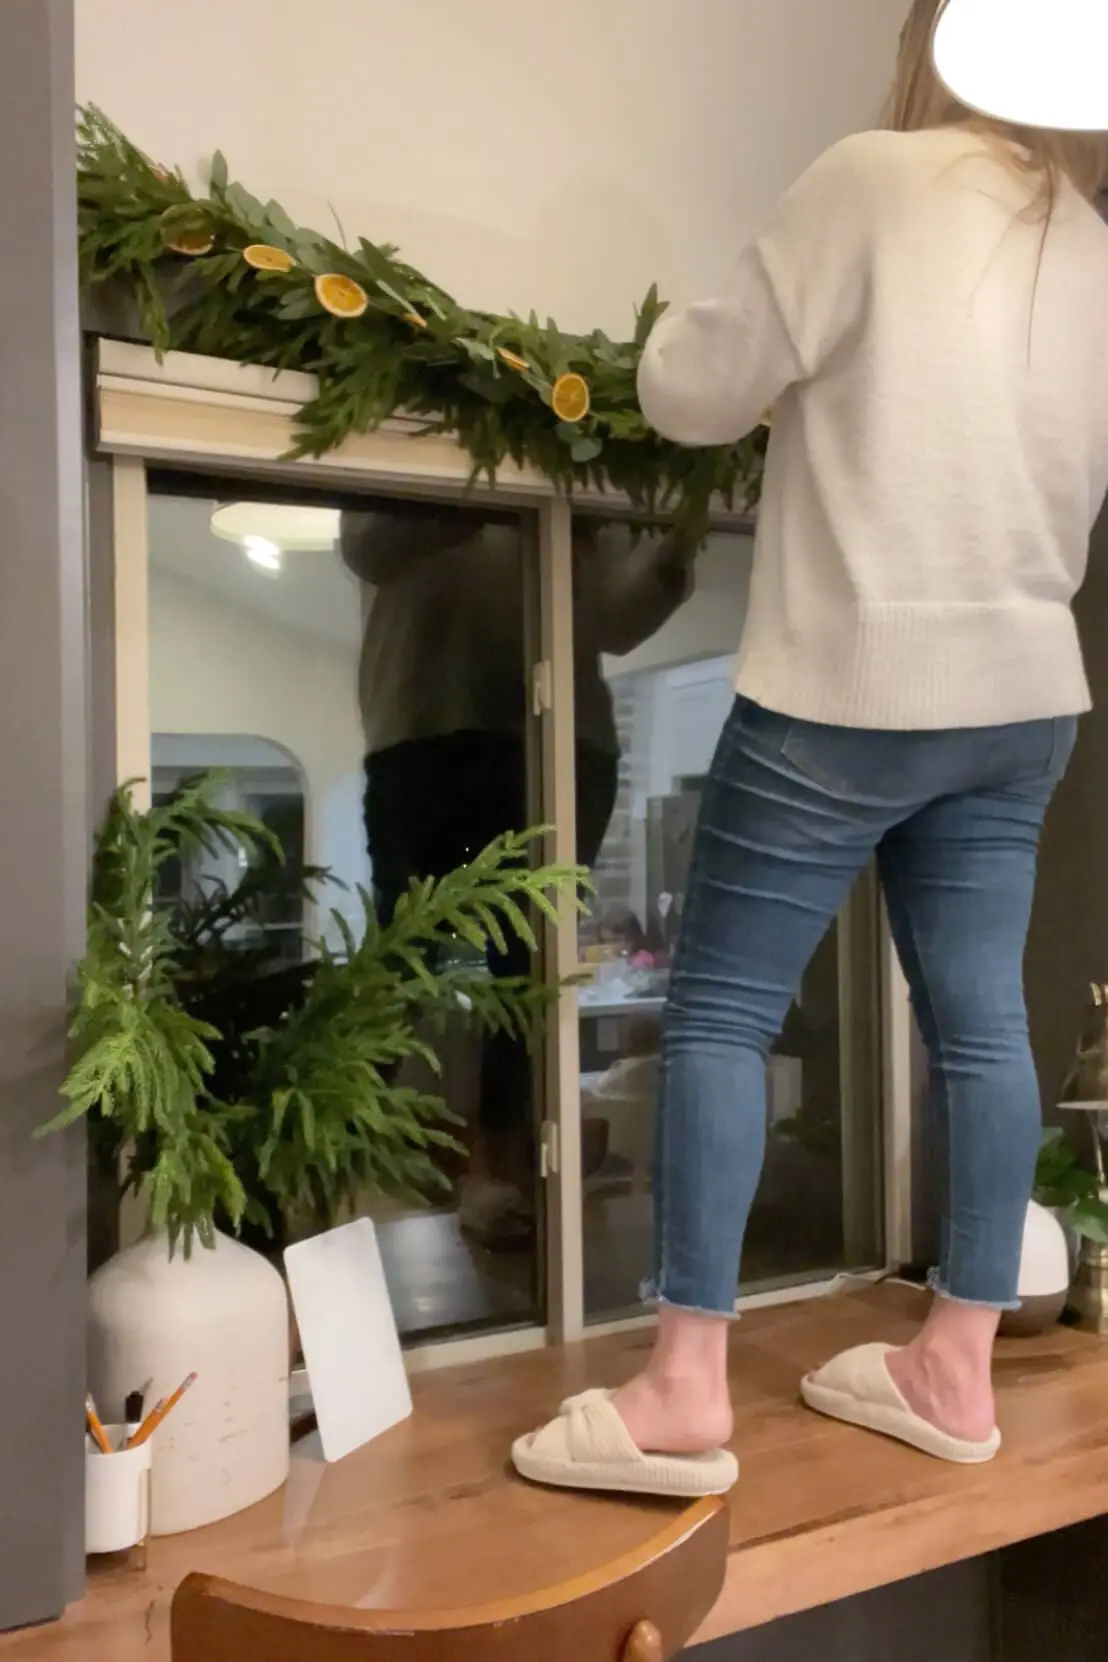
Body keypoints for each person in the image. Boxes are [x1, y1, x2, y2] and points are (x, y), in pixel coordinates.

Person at [511, 0, 1108, 1497]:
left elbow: (689, 390)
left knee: (716, 1009)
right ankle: (952, 1366)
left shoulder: (869, 180)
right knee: (981, 1021)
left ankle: (683, 1389)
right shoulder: (1099, 250)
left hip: (852, 678)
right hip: (1024, 690)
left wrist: (688, 343)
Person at [340, 504, 695, 1246]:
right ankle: (344, 1169)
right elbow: (366, 543)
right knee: (403, 959)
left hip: (564, 735)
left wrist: (672, 553)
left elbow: (615, 622)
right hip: (423, 724)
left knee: (529, 967)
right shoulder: (428, 410)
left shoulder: (585, 445)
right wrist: (501, 487)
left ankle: (504, 1178)